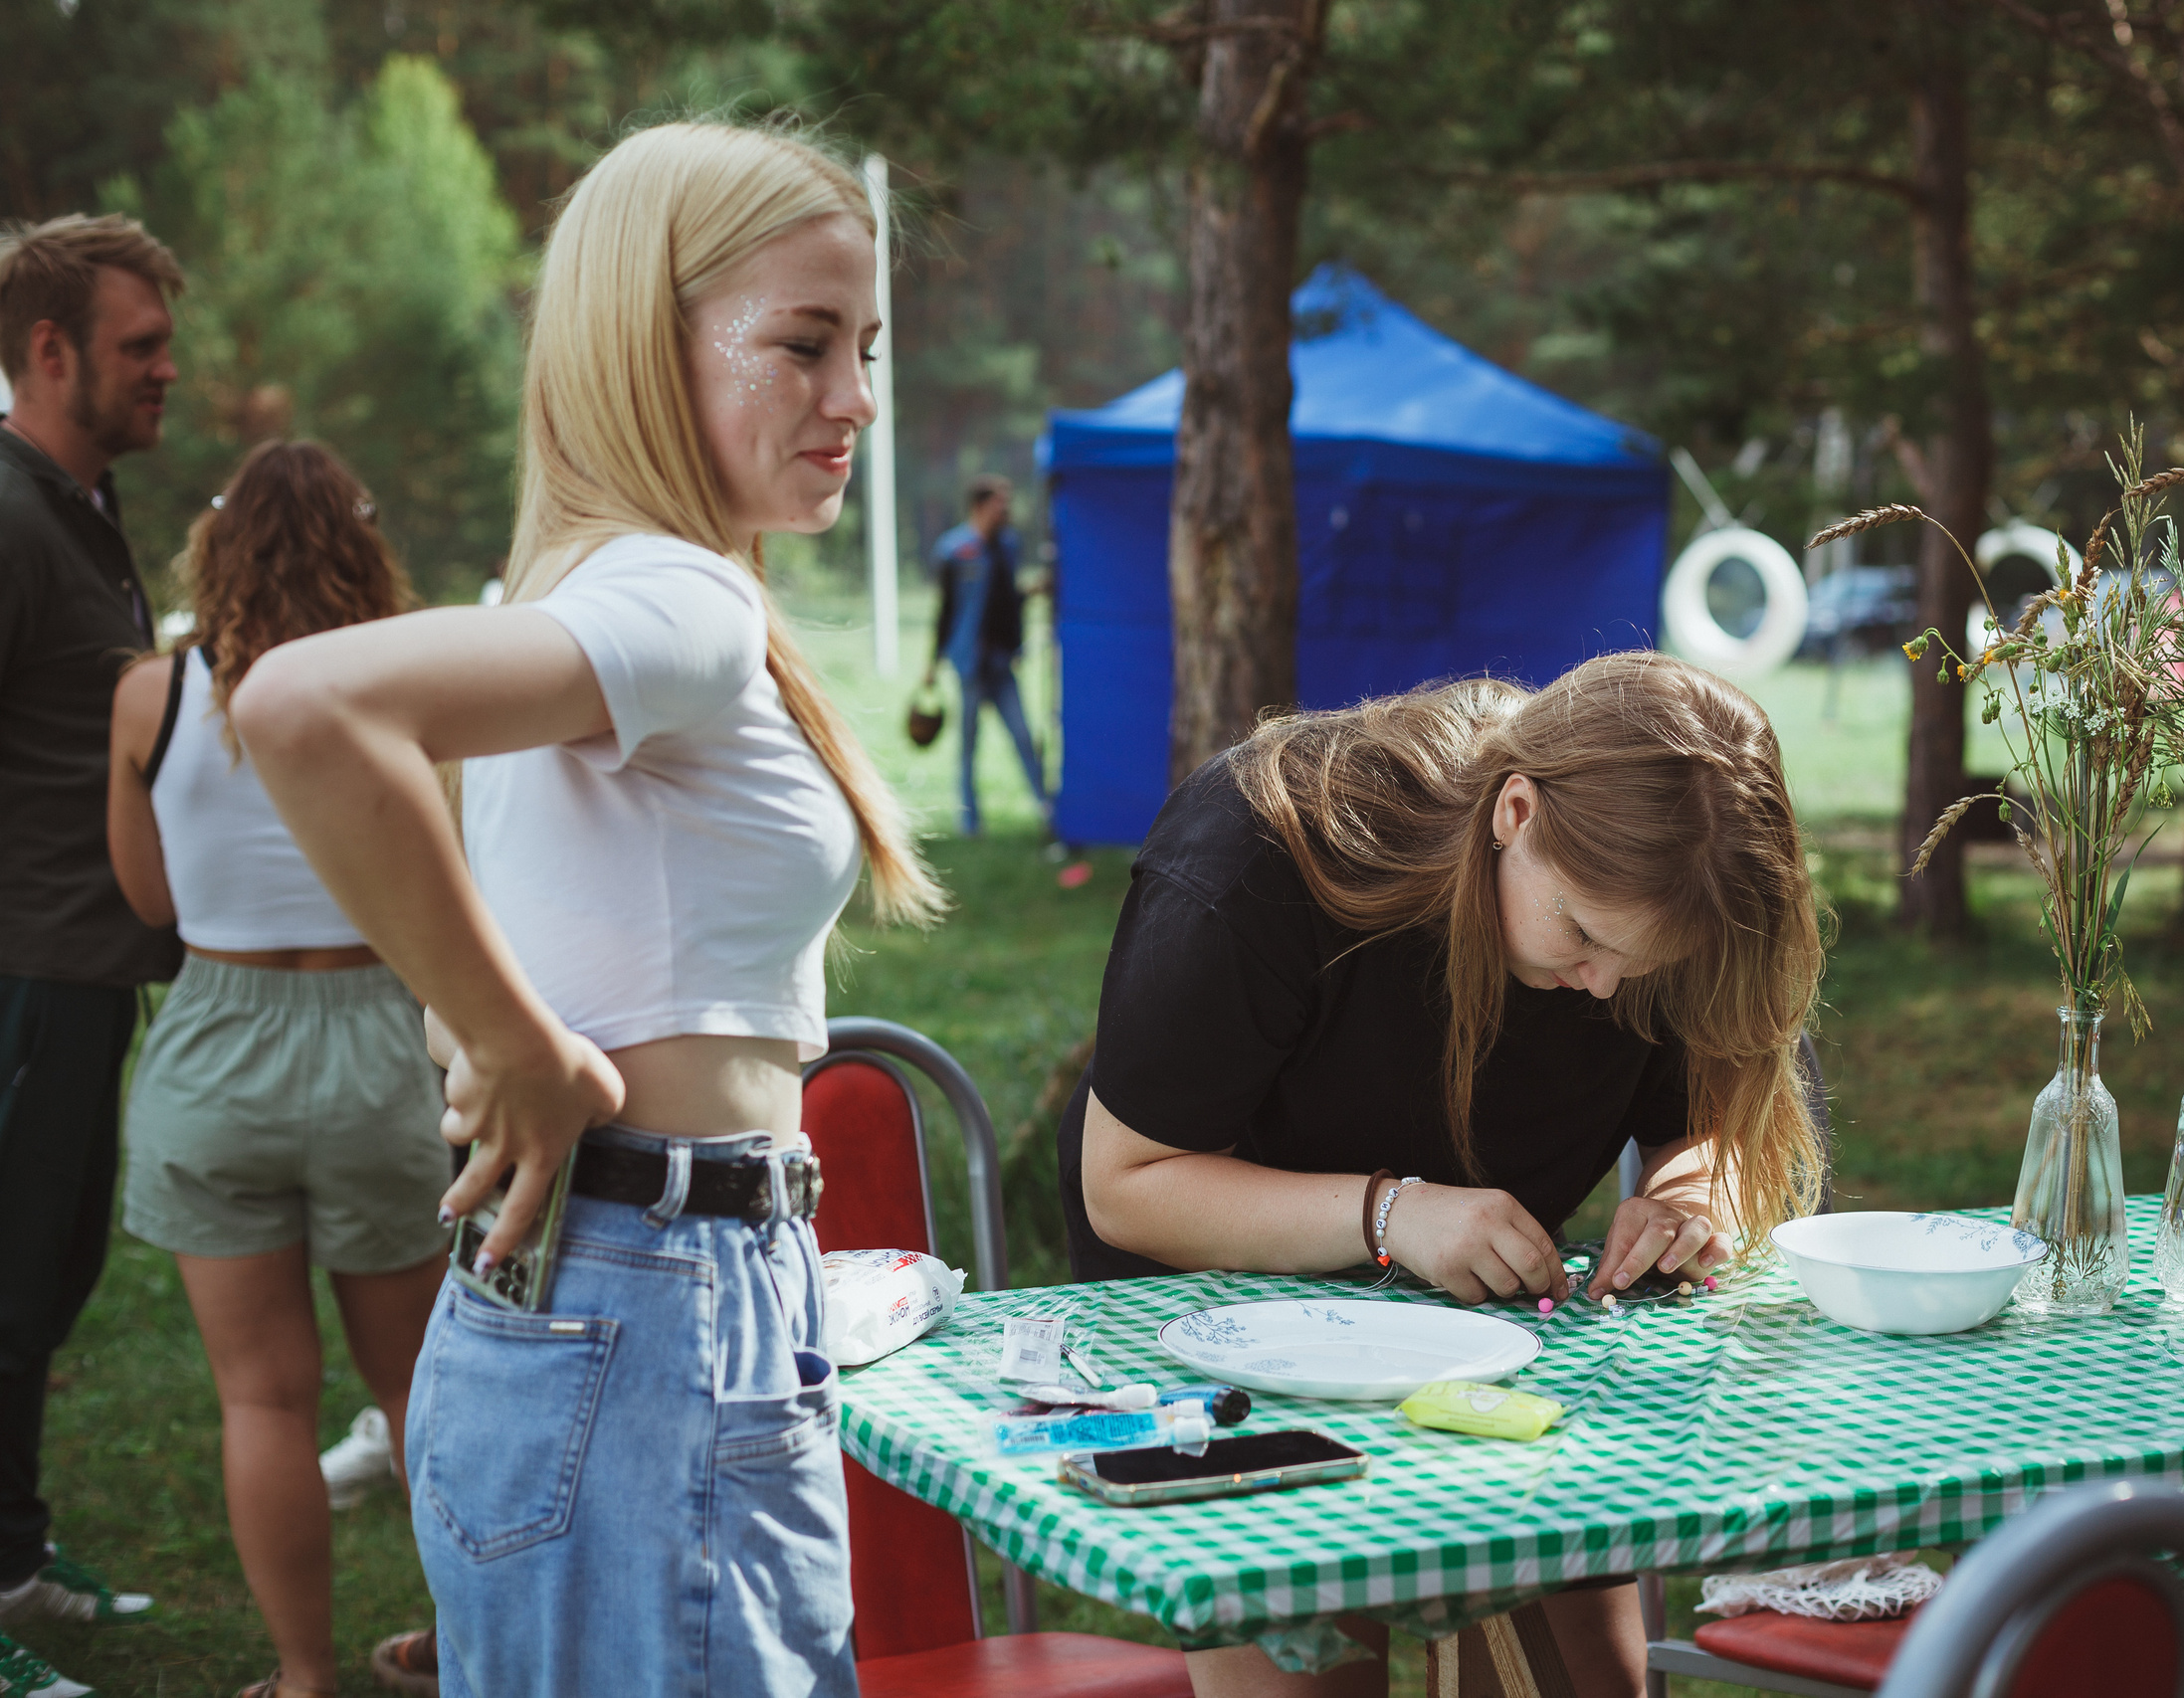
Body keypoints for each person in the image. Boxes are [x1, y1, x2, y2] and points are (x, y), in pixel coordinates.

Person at [231, 120, 941, 1698]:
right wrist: (514, 1041)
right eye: (805, 345)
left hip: (591, 1308)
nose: (859, 400)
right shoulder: (677, 598)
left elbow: (519, 906)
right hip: (650, 1310)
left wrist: (488, 1020)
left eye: (866, 346)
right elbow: (299, 707)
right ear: (646, 344)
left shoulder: (596, 588)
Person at [1059, 652, 1828, 1698]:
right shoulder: (1260, 852)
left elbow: (1724, 1128)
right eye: (1584, 936)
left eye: (1646, 968)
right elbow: (1128, 1181)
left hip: (1493, 1331)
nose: (1605, 987)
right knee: (1320, 1676)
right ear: (1514, 811)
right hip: (1218, 1326)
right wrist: (1390, 1214)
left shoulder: (1672, 893)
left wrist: (1693, 1197)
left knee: (1585, 1683)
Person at [105, 441, 451, 1698]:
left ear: (218, 546)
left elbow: (145, 894)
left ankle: (304, 1677)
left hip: (214, 1045)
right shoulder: (404, 686)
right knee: (418, 1385)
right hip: (372, 1039)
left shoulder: (153, 692)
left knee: (261, 1400)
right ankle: (465, 1642)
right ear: (362, 549)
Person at [0, 213, 185, 1698]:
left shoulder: (79, 508)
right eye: (140, 346)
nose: (167, 369)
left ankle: (10, 1549)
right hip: (21, 976)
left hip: (79, 973)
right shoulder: (6, 517)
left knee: (41, 1282)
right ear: (48, 350)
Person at [928, 472, 1048, 836]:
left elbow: (1006, 600)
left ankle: (1049, 811)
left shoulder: (1008, 545)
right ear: (980, 507)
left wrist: (1030, 593)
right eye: (1000, 505)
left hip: (1002, 663)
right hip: (969, 665)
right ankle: (970, 823)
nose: (1006, 511)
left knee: (1024, 738)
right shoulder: (954, 550)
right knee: (968, 746)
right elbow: (946, 611)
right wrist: (931, 665)